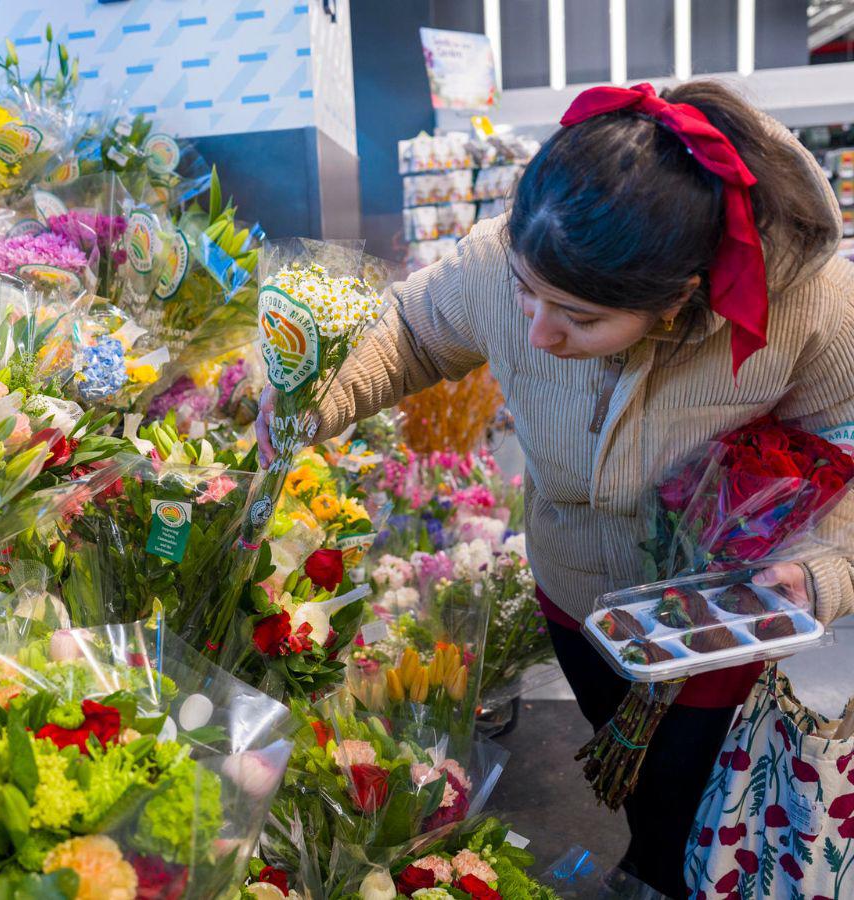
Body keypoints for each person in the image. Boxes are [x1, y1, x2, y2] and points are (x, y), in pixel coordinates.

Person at [256, 80, 853, 897]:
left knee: (695, 790)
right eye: (525, 291)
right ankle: (648, 859)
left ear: (679, 297)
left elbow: (847, 432)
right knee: (630, 764)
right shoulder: (497, 257)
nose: (537, 332)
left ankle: (663, 870)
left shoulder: (807, 305)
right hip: (575, 593)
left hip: (717, 614)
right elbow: (410, 333)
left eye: (578, 316)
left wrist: (823, 567)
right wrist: (316, 396)